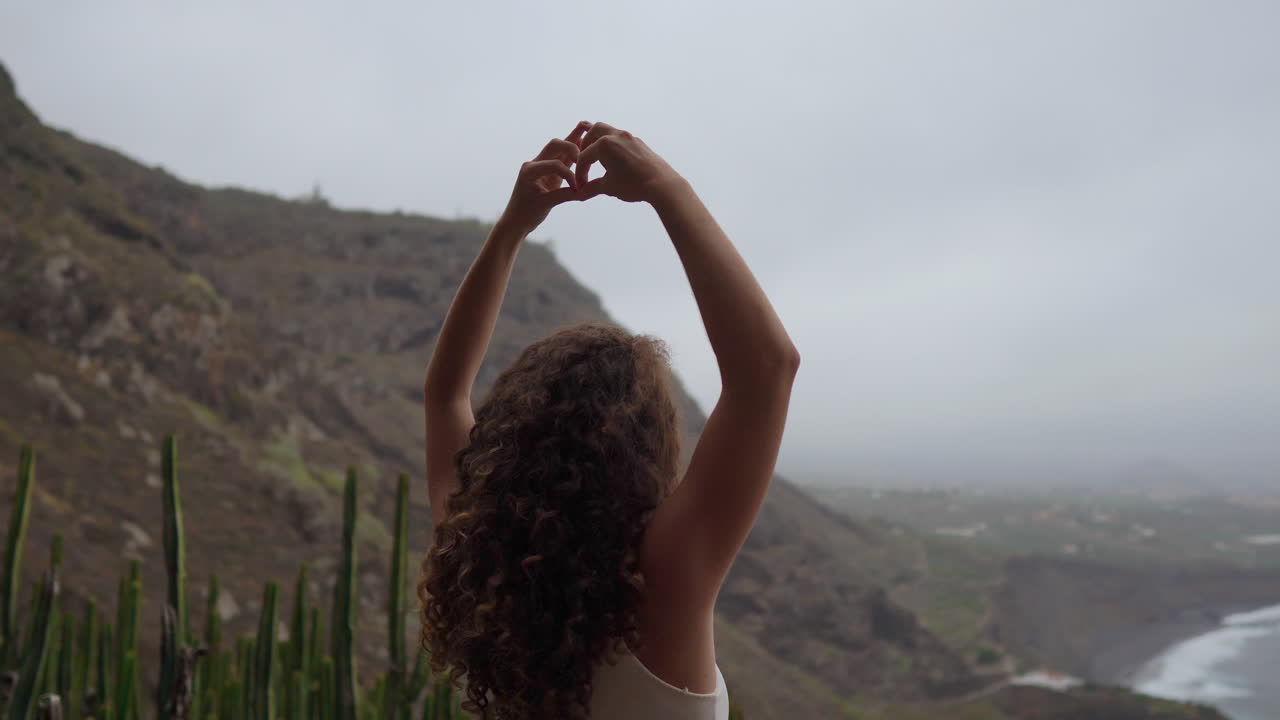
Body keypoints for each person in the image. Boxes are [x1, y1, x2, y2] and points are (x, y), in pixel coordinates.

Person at [418, 121, 799, 720]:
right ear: (646, 446)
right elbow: (767, 369)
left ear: (513, 435)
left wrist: (513, 229)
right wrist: (666, 188)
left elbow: (445, 396)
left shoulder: (476, 558)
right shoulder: (666, 581)